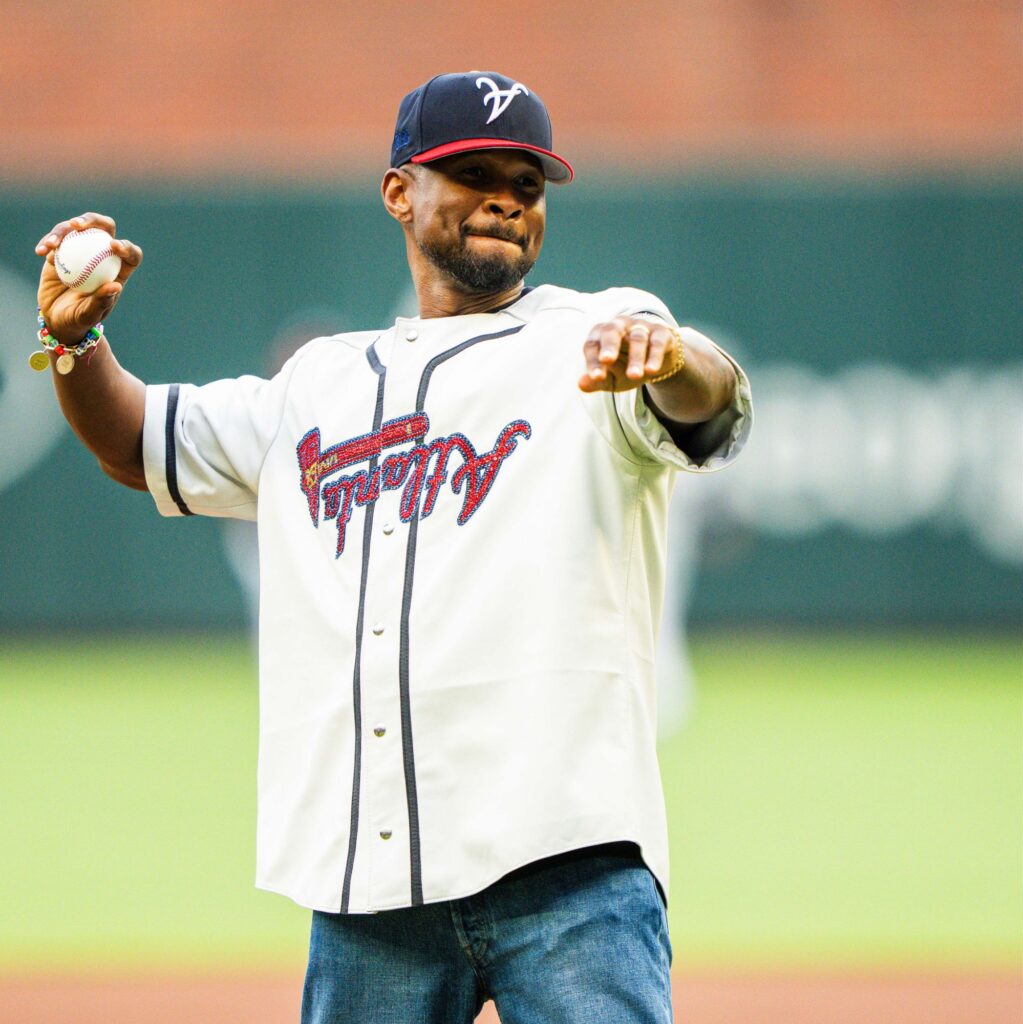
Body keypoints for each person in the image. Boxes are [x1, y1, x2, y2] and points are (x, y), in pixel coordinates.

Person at [34, 71, 752, 1024]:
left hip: (571, 867)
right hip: (369, 885)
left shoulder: (597, 332)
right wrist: (75, 346)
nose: (506, 199)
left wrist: (675, 357)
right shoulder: (316, 386)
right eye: (472, 174)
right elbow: (135, 443)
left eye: (526, 183)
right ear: (399, 192)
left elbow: (710, 399)